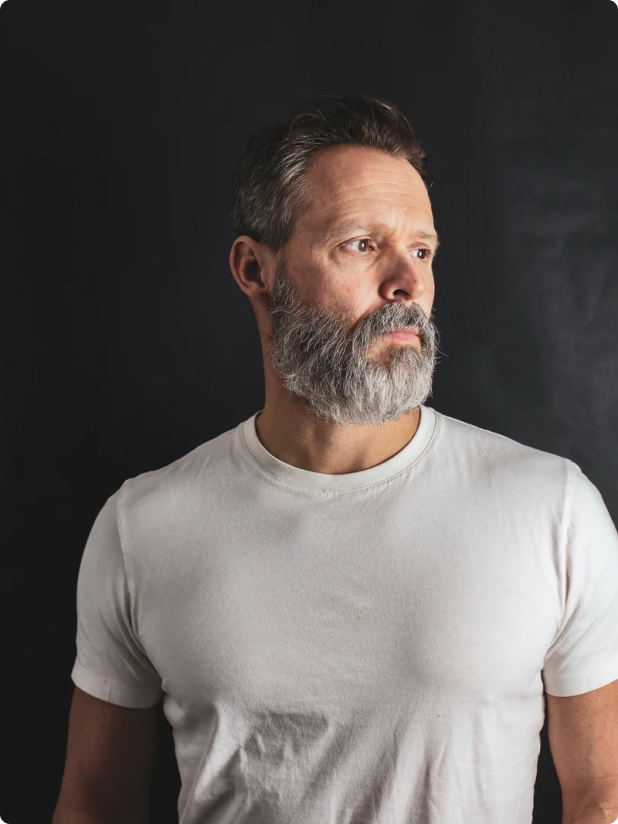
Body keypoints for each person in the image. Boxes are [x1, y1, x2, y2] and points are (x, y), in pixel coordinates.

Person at [53, 95, 618, 824]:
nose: (408, 283)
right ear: (255, 269)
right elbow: (96, 801)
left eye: (422, 250)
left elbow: (604, 795)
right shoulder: (142, 526)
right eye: (361, 244)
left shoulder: (551, 509)